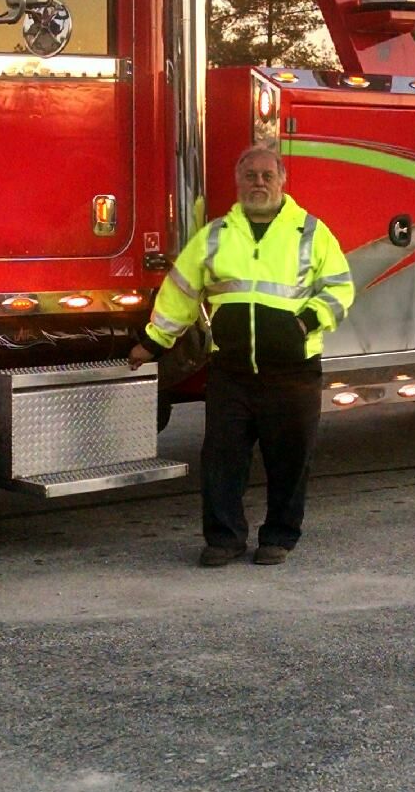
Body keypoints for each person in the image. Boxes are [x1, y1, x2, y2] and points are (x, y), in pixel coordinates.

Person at [130, 144, 354, 566]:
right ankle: (224, 540)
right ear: (238, 181)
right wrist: (154, 341)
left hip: (293, 372)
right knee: (221, 460)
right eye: (250, 175)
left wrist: (305, 322)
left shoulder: (310, 231)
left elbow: (340, 288)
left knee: (289, 461)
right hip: (232, 372)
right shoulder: (215, 235)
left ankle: (279, 538)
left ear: (282, 180)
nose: (259, 183)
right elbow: (180, 290)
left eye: (268, 175)